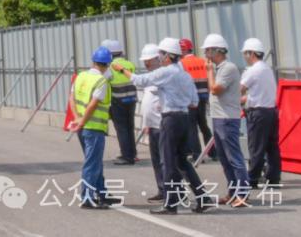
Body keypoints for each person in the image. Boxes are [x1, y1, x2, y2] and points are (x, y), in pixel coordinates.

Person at [114, 37, 212, 215]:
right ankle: (203, 197)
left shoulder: (166, 72)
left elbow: (139, 80)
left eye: (161, 54)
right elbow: (194, 103)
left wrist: (122, 69)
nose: (159, 57)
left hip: (170, 119)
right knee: (182, 161)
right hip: (183, 118)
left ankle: (170, 203)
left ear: (168, 56)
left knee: (167, 162)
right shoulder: (185, 75)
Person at [68, 46, 120, 209]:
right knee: (92, 164)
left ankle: (102, 194)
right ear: (107, 65)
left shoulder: (81, 76)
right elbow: (93, 104)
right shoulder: (101, 81)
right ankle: (87, 198)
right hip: (93, 127)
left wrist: (77, 118)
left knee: (94, 162)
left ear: (93, 61)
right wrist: (83, 121)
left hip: (82, 127)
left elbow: (72, 98)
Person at [202, 33, 249, 207]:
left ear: (217, 50)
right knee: (224, 158)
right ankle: (233, 191)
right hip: (219, 117)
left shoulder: (228, 68)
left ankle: (242, 193)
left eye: (208, 50)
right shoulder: (220, 69)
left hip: (227, 119)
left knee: (234, 157)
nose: (206, 54)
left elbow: (215, 89)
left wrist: (208, 72)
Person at [240, 38, 281, 190]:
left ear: (251, 53)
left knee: (256, 147)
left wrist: (239, 99)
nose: (244, 56)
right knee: (272, 147)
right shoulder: (267, 69)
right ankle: (273, 178)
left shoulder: (252, 71)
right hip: (271, 111)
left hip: (257, 113)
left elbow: (240, 89)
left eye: (245, 53)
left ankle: (252, 179)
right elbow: (260, 92)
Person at [101, 39, 138, 165]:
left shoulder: (109, 68)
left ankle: (126, 156)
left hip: (118, 101)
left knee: (121, 129)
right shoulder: (130, 64)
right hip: (132, 100)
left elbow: (103, 83)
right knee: (130, 127)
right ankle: (132, 153)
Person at [136, 43, 166, 204]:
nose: (146, 63)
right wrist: (146, 124)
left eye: (149, 60)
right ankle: (162, 189)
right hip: (152, 125)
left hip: (162, 125)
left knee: (166, 160)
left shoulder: (162, 76)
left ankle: (173, 191)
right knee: (156, 160)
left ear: (157, 58)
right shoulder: (150, 77)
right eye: (144, 61)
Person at [180, 38, 214, 160]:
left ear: (182, 50)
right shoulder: (203, 61)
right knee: (204, 125)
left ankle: (197, 154)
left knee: (192, 127)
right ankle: (214, 152)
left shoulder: (182, 64)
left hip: (190, 100)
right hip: (204, 97)